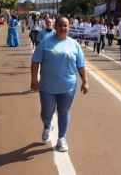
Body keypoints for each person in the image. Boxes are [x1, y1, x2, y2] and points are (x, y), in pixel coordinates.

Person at [31, 17, 89, 152]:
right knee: (47, 112)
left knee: (63, 112)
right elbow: (35, 62)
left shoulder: (74, 44)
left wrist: (85, 81)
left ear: (69, 27)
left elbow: (81, 65)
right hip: (47, 86)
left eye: (66, 25)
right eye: (60, 25)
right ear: (55, 27)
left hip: (68, 87)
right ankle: (47, 126)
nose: (63, 28)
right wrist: (34, 80)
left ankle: (61, 138)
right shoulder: (45, 43)